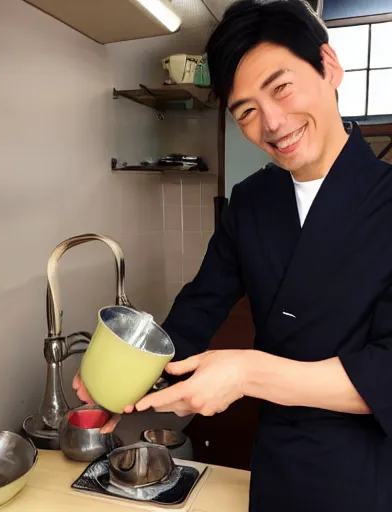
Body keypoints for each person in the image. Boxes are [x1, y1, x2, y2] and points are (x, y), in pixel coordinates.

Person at [74, 0, 392, 510]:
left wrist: (245, 374)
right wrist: (128, 381)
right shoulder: (252, 200)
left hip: (370, 468)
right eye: (246, 111)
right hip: (278, 460)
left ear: (329, 67)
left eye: (281, 88)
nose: (272, 122)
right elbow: (199, 307)